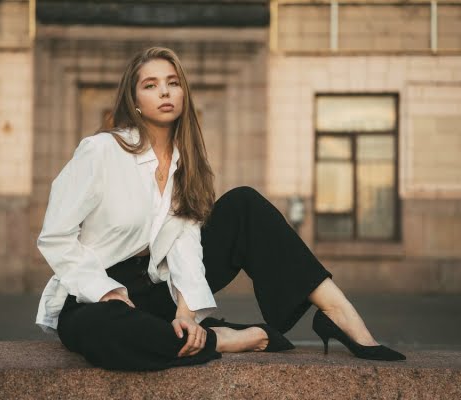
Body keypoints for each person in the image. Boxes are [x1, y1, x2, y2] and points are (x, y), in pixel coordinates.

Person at [35, 46, 405, 371]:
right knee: (104, 333)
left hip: (158, 292)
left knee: (244, 203)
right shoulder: (101, 151)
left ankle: (339, 314)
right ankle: (220, 340)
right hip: (96, 296)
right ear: (134, 101)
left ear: (183, 93)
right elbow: (55, 237)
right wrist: (106, 291)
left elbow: (184, 244)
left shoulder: (187, 165)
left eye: (173, 82)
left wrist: (186, 312)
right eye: (150, 85)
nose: (164, 91)